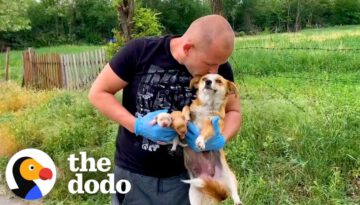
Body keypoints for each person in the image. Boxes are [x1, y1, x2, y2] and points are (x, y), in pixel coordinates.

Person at [88, 14, 241, 205]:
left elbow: (235, 111)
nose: (215, 71)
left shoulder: (216, 68)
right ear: (187, 48)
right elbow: (98, 93)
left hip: (185, 180)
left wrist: (220, 140)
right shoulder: (141, 51)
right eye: (210, 65)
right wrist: (136, 125)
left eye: (220, 65)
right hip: (134, 175)